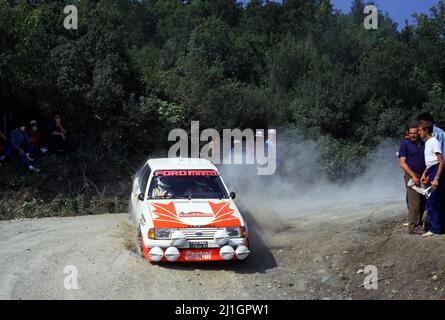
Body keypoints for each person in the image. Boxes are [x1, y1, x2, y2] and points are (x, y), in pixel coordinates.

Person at [398, 124, 426, 235]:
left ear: (418, 133)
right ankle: (413, 227)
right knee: (415, 201)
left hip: (423, 175)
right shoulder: (405, 145)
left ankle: (419, 224)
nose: (413, 135)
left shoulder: (423, 144)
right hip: (411, 175)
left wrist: (425, 174)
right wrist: (413, 176)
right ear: (408, 134)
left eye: (415, 133)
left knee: (423, 201)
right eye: (411, 133)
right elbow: (402, 163)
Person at [418, 121, 444, 237]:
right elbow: (430, 162)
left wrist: (436, 178)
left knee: (434, 200)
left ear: (426, 130)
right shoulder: (427, 143)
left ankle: (436, 229)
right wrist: (425, 173)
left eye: (420, 130)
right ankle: (435, 227)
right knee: (431, 200)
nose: (419, 133)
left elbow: (441, 162)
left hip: (436, 171)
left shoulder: (434, 142)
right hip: (431, 170)